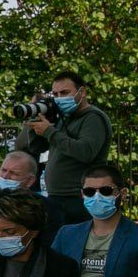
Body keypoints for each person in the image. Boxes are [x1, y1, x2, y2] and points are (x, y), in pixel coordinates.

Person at [15, 70, 113, 228]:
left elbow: (85, 152)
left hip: (79, 197)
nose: (60, 98)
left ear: (82, 92)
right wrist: (36, 123)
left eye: (65, 92)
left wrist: (50, 132)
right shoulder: (64, 118)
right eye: (56, 94)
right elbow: (37, 148)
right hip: (57, 197)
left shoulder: (93, 118)